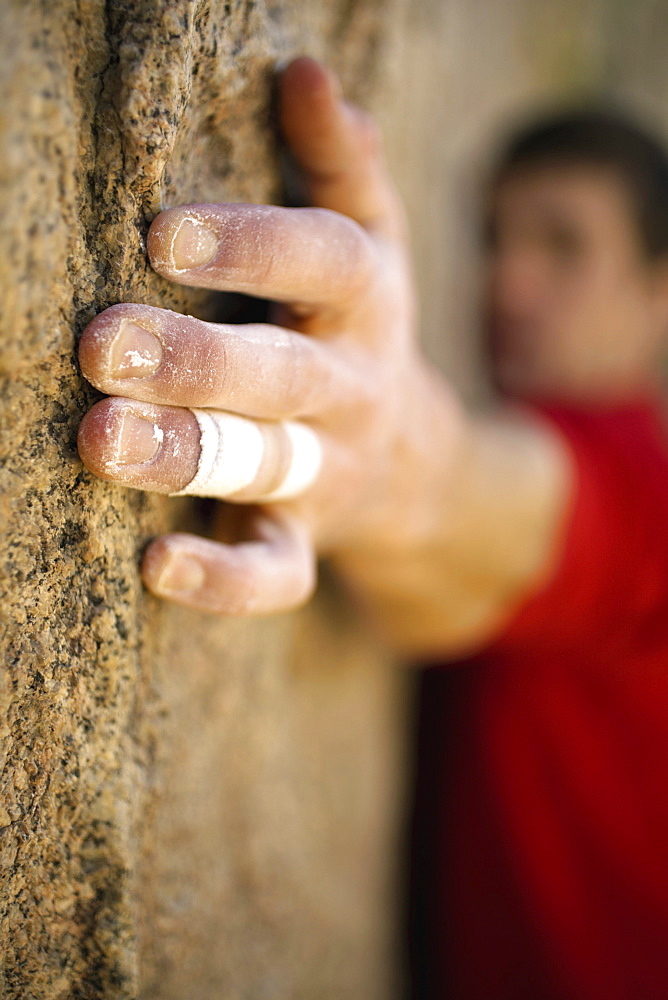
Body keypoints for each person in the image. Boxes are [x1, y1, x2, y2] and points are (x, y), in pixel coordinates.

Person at [76, 56, 668, 999]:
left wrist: (384, 462)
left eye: (562, 245)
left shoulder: (646, 497)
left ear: (658, 291)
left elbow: (478, 502)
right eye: (494, 239)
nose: (508, 282)